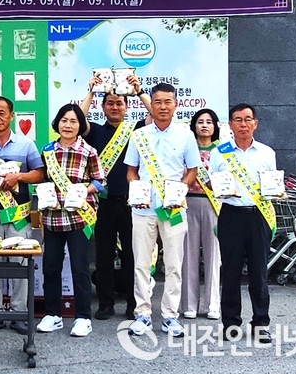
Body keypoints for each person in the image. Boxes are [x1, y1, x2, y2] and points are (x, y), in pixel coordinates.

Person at [124, 83, 201, 338]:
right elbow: (131, 171)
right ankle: (142, 314)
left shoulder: (185, 135)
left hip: (173, 209)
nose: (163, 107)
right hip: (143, 210)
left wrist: (180, 190)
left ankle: (170, 315)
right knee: (141, 264)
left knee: (174, 264)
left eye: (168, 101)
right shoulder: (139, 135)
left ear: (176, 104)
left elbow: (192, 170)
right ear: (151, 105)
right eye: (157, 102)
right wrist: (136, 190)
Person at [0, 96, 45, 336]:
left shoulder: (26, 145)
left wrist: (18, 177)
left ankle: (19, 313)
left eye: (2, 113)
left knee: (20, 263)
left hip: (18, 214)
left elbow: (39, 174)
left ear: (12, 116)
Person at [80, 73, 152, 320]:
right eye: (110, 103)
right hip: (103, 203)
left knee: (133, 255)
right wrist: (91, 91)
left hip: (133, 203)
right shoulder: (95, 131)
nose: (114, 107)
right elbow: (78, 118)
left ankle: (134, 303)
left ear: (126, 107)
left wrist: (139, 91)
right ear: (103, 107)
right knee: (103, 255)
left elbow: (155, 114)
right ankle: (106, 303)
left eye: (119, 103)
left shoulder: (136, 130)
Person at [208, 103, 277, 344]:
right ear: (230, 125)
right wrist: (218, 186)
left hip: (259, 216)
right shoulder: (220, 153)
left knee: (259, 272)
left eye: (248, 119)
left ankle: (261, 323)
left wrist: (276, 190)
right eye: (238, 120)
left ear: (255, 123)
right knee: (230, 272)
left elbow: (272, 183)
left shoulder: (267, 153)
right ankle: (231, 324)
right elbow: (211, 182)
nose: (243, 124)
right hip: (231, 215)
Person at [36, 103, 105, 338]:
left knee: (80, 267)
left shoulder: (89, 151)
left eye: (73, 121)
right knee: (51, 266)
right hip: (52, 217)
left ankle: (83, 317)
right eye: (64, 120)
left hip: (79, 218)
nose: (68, 125)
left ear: (80, 125)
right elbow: (42, 178)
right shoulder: (48, 151)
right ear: (57, 123)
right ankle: (53, 314)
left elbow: (100, 182)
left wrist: (84, 190)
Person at [180, 108, 223, 321]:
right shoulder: (186, 148)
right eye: (200, 122)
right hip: (188, 202)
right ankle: (188, 304)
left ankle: (212, 304)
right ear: (194, 126)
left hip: (214, 205)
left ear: (215, 126)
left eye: (209, 122)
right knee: (187, 255)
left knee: (214, 255)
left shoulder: (223, 151)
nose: (204, 125)